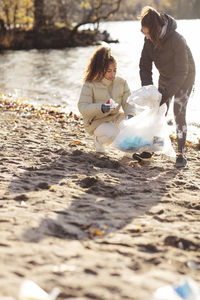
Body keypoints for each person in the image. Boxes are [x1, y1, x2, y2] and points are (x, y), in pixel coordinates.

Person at [139, 6, 195, 168]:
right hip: (165, 75)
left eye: (148, 33)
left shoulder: (177, 39)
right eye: (144, 33)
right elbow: (144, 66)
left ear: (157, 29)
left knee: (179, 112)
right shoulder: (148, 41)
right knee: (158, 111)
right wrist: (148, 89)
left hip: (185, 76)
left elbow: (181, 71)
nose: (147, 37)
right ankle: (153, 147)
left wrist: (166, 93)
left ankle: (181, 153)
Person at [78, 45, 135, 153]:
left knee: (132, 128)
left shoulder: (121, 82)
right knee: (115, 134)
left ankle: (129, 153)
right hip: (95, 122)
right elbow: (83, 107)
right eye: (109, 71)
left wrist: (130, 115)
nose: (112, 74)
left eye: (115, 70)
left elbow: (128, 103)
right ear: (101, 70)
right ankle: (98, 140)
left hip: (115, 117)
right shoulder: (90, 84)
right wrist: (102, 107)